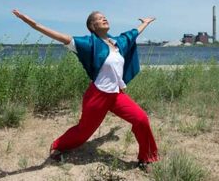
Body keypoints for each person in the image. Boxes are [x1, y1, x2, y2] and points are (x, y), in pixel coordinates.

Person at [12, 9, 159, 170]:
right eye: (99, 18)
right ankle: (57, 146)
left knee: (141, 119)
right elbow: (59, 36)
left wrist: (144, 23)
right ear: (92, 26)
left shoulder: (118, 42)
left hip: (116, 95)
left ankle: (146, 158)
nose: (104, 18)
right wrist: (33, 24)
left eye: (104, 17)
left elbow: (133, 33)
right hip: (97, 96)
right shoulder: (88, 44)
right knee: (84, 131)